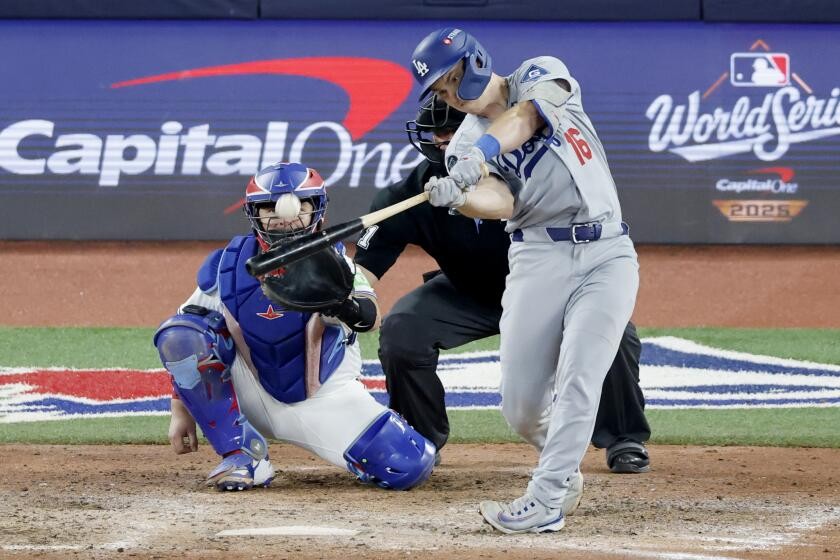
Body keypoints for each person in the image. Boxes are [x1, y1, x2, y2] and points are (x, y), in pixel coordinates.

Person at [409, 28, 640, 533]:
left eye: (451, 82)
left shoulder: (539, 72)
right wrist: (460, 198)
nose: (450, 97)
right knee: (520, 406)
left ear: (474, 63)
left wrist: (482, 152)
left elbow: (527, 117)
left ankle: (546, 498)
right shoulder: (461, 146)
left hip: (607, 252)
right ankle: (563, 470)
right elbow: (503, 202)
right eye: (441, 92)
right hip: (537, 258)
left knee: (579, 377)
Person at [354, 96, 651, 476]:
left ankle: (624, 437)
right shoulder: (412, 194)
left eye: (452, 130)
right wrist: (346, 293)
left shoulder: (534, 176)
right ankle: (418, 439)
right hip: (469, 292)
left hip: (550, 288)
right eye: (436, 132)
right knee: (403, 330)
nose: (442, 140)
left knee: (615, 333)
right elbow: (364, 271)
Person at [153, 161, 436, 492]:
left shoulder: (339, 267)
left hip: (324, 400)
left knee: (409, 465)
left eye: (299, 204)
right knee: (179, 333)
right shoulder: (227, 266)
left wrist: (337, 302)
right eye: (269, 207)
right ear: (254, 214)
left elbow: (370, 318)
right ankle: (243, 454)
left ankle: (356, 449)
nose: (284, 215)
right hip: (250, 392)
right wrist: (181, 408)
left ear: (317, 209)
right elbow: (183, 339)